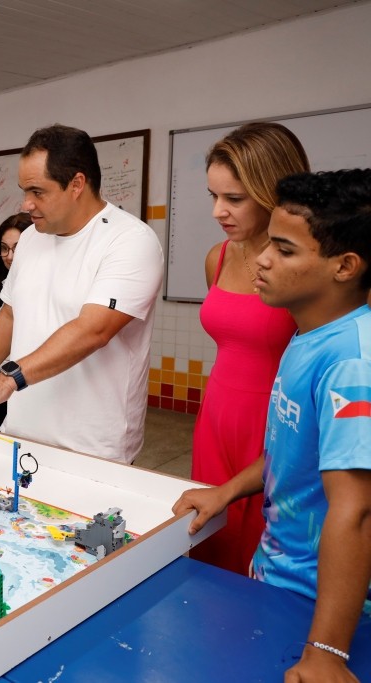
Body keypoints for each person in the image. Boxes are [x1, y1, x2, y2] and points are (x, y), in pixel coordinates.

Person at [174, 169, 371, 683]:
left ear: (345, 266)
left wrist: (327, 651)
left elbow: (357, 511)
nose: (262, 259)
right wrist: (226, 491)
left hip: (324, 607)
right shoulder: (308, 334)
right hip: (278, 574)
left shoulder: (353, 363)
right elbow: (290, 452)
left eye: (283, 250)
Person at [0, 125, 163, 464]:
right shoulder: (31, 239)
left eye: (37, 192)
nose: (26, 204)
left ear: (76, 184)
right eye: (24, 191)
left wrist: (7, 380)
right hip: (20, 432)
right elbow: (9, 315)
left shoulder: (129, 241)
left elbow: (93, 330)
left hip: (92, 447)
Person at [191, 122, 310, 575]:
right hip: (216, 417)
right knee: (209, 544)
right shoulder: (217, 257)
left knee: (265, 554)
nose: (218, 211)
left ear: (272, 194)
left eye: (234, 198)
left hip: (277, 422)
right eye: (213, 196)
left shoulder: (306, 267)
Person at [0, 213, 34, 431]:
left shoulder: (43, 288)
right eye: (4, 248)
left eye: (17, 248)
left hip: (28, 380)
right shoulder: (1, 284)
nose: (10, 256)